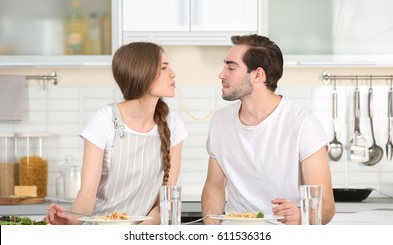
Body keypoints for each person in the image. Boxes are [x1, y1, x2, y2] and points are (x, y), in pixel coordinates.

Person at [45, 42, 188, 225]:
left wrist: (135, 235)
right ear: (142, 73)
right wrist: (71, 219)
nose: (173, 73)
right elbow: (87, 196)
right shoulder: (104, 121)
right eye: (164, 68)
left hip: (142, 235)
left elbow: (164, 205)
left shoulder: (173, 124)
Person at [201, 34, 335, 225]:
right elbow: (214, 188)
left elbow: (326, 208)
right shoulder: (220, 122)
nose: (221, 74)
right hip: (236, 234)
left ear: (257, 75)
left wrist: (302, 215)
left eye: (231, 67)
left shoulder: (304, 126)